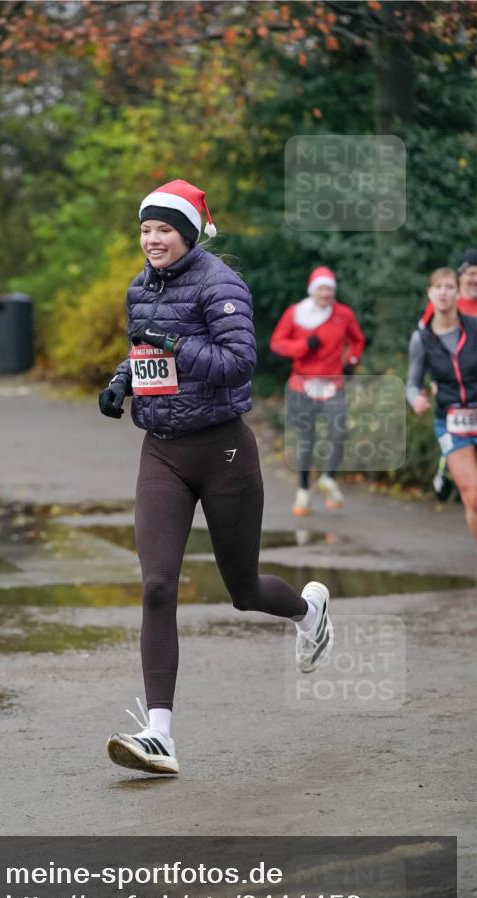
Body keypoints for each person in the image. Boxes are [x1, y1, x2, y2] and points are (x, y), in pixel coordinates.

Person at [98, 179, 334, 776]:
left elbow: (238, 365)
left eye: (163, 229)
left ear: (189, 231)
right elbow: (143, 350)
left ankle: (308, 613)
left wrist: (173, 342)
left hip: (224, 450)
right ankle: (160, 734)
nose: (152, 239)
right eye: (145, 229)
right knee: (156, 585)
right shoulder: (139, 287)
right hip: (163, 452)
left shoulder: (222, 284)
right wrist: (122, 382)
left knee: (244, 590)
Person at [269, 268, 366, 516]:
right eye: (322, 289)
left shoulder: (343, 314)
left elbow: (357, 340)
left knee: (339, 431)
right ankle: (303, 492)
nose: (326, 294)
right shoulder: (296, 313)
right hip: (302, 385)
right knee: (306, 440)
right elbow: (277, 343)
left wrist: (352, 360)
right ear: (313, 291)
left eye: (330, 289)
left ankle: (329, 478)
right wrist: (303, 345)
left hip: (333, 384)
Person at [407, 267, 477, 543]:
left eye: (450, 287)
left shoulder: (474, 327)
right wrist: (416, 399)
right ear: (430, 293)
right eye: (439, 287)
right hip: (450, 423)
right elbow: (412, 383)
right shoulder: (422, 339)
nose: (444, 292)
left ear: (458, 293)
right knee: (472, 494)